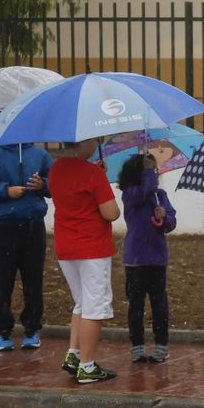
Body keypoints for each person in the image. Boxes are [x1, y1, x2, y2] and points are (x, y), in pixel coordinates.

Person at [0, 140, 51, 351]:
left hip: (34, 226)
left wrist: (44, 186)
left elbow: (58, 184)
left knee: (33, 279)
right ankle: (2, 330)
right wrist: (6, 191)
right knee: (3, 280)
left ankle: (32, 329)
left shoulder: (40, 156)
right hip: (3, 227)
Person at [48, 139, 119, 384]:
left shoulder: (55, 169)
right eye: (95, 140)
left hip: (66, 245)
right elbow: (111, 212)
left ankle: (74, 354)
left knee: (81, 302)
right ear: (85, 142)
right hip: (92, 246)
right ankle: (87, 366)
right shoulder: (93, 173)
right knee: (94, 306)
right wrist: (100, 178)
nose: (97, 143)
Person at [118, 152, 177, 364]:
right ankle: (137, 346)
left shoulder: (160, 196)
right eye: (151, 171)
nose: (155, 174)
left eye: (155, 170)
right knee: (136, 304)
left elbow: (171, 222)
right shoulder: (131, 193)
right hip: (136, 259)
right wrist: (147, 172)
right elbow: (144, 190)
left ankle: (161, 344)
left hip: (157, 259)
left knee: (159, 303)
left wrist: (165, 217)